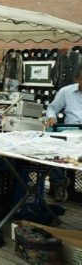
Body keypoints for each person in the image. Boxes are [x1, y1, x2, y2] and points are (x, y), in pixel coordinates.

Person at [45, 67, 82, 202]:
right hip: (70, 131)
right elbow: (52, 108)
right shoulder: (66, 91)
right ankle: (59, 184)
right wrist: (52, 117)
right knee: (55, 153)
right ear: (77, 79)